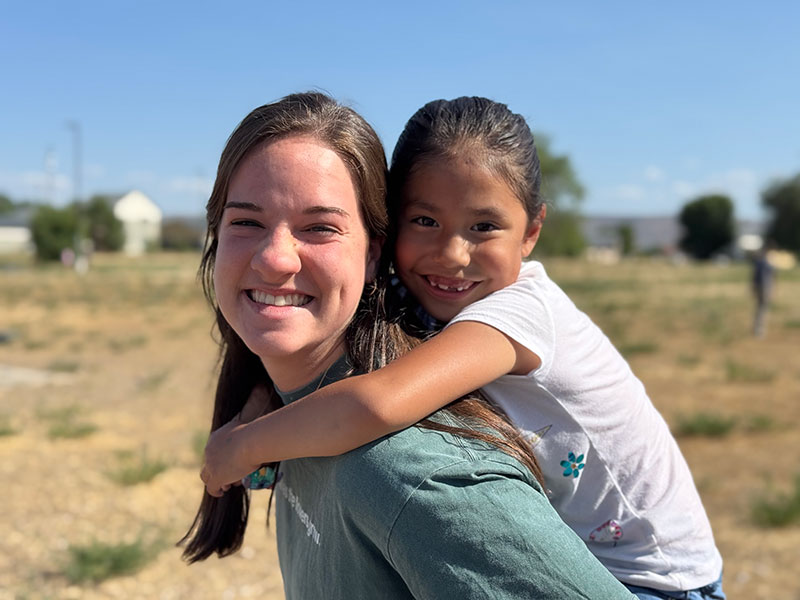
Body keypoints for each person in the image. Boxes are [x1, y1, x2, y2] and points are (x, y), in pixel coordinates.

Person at [200, 96, 725, 600]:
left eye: (484, 226)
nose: (451, 254)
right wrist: (260, 402)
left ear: (532, 231)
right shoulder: (419, 296)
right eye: (425, 221)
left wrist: (244, 446)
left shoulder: (518, 311)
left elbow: (377, 403)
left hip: (656, 579)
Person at [751, 242, 775, 337]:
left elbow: (754, 277)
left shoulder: (761, 262)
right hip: (764, 288)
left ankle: (758, 327)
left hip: (763, 287)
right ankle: (759, 329)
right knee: (762, 308)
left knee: (761, 308)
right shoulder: (766, 262)